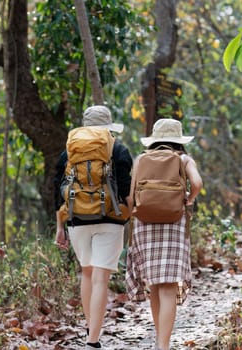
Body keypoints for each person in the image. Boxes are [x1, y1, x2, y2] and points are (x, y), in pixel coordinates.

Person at [53, 105, 133, 350]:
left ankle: (91, 327)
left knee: (86, 273)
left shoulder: (69, 151)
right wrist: (133, 217)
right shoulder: (117, 149)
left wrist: (59, 226)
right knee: (101, 279)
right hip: (111, 219)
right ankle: (93, 340)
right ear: (108, 126)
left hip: (77, 219)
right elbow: (126, 188)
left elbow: (59, 190)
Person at [126, 118, 203, 350]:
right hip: (174, 222)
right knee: (168, 285)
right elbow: (197, 183)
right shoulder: (184, 159)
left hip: (144, 223)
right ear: (179, 140)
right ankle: (163, 345)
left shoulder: (141, 160)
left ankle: (160, 339)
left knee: (155, 286)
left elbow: (130, 196)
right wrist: (188, 200)